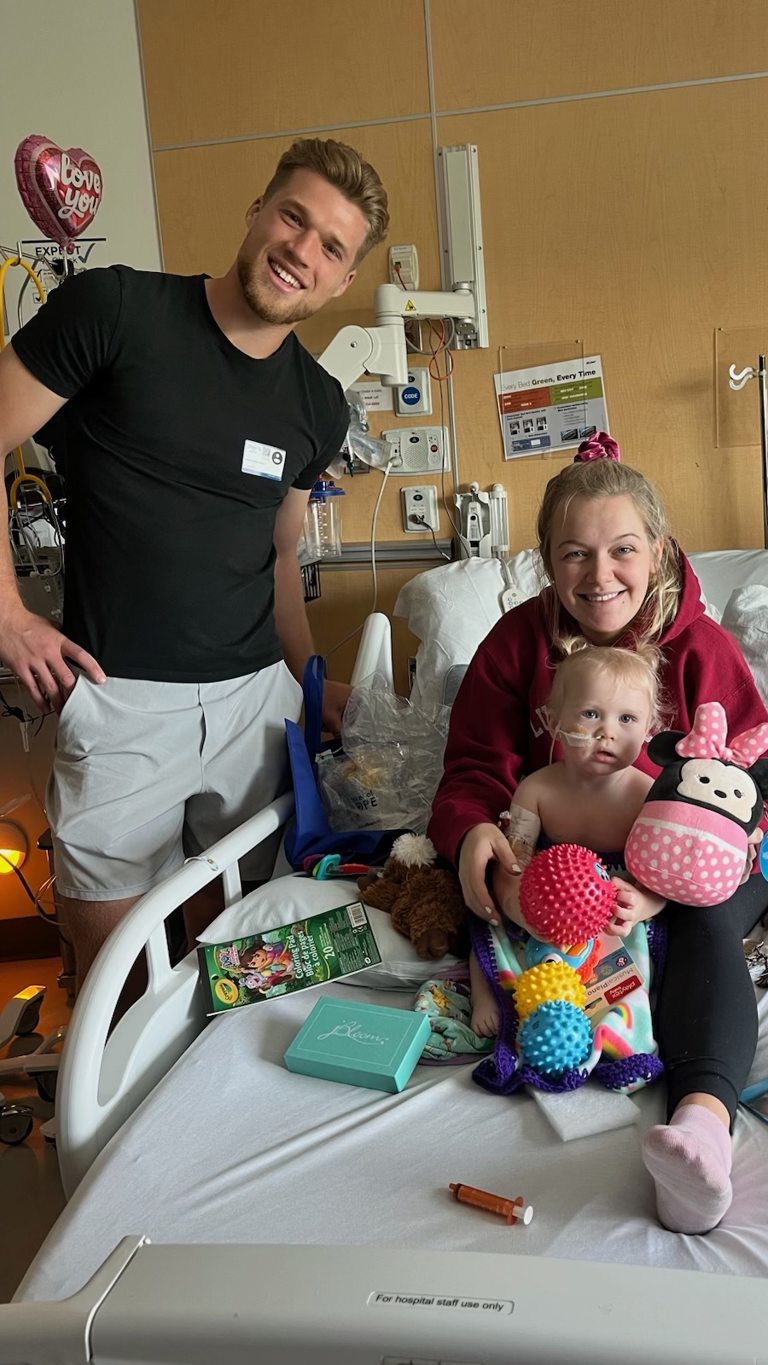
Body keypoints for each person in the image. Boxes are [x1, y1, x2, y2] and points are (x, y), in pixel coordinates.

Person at [0, 137, 389, 983]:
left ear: (342, 280)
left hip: (257, 700)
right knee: (119, 982)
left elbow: (280, 552)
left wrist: (312, 685)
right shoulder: (115, 313)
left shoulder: (317, 405)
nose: (301, 251)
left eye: (331, 246)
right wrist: (8, 617)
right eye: (294, 217)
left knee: (246, 960)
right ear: (257, 212)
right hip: (122, 697)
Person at [428, 434, 768, 1235]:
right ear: (547, 562)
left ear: (657, 550)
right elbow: (472, 776)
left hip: (704, 854)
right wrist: (474, 847)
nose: (600, 577)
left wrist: (671, 875)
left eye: (623, 550)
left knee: (701, 911)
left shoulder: (701, 649)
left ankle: (701, 1129)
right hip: (565, 862)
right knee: (486, 907)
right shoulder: (514, 647)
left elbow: (762, 787)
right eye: (574, 555)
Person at [467, 641, 666, 1037]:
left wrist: (642, 904)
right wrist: (519, 907)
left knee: (648, 952)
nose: (607, 732)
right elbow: (513, 860)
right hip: (543, 903)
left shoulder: (649, 797)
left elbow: (663, 879)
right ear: (555, 720)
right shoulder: (536, 790)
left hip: (610, 917)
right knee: (484, 925)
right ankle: (488, 995)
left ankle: (616, 1023)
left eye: (627, 719)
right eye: (590, 714)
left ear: (649, 730)